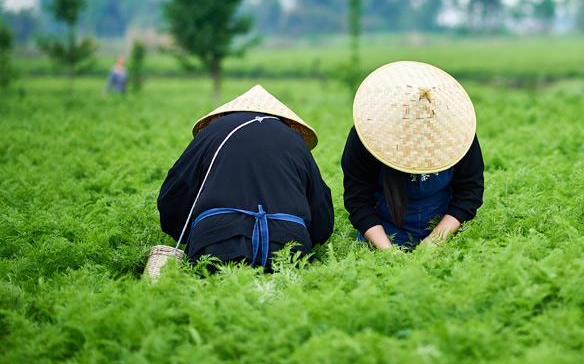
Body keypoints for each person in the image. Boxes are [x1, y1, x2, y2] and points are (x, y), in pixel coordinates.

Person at [158, 85, 334, 270]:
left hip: (214, 246)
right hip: (289, 252)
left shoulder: (213, 132)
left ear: (226, 114)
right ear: (282, 119)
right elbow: (322, 214)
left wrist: (192, 238)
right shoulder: (294, 140)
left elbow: (173, 197)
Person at [341, 61, 484, 250]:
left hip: (445, 232)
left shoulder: (460, 134)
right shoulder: (366, 136)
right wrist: (387, 251)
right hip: (383, 233)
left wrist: (436, 241)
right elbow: (358, 199)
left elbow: (469, 192)